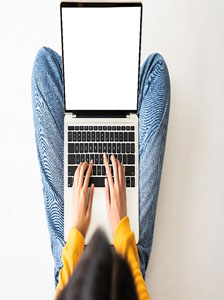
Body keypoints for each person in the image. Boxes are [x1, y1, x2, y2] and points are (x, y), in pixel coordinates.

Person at [31, 47, 170, 299]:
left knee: (45, 64)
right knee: (155, 70)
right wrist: (121, 229)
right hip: (127, 268)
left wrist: (75, 235)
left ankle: (94, 95)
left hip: (75, 276)